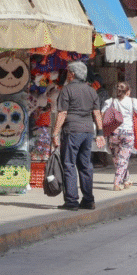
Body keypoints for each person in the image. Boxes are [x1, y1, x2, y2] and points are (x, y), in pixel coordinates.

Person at [52, 61, 105, 210]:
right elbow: (97, 113)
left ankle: (72, 201)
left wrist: (55, 133)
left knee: (69, 164)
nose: (67, 74)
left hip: (72, 131)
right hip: (88, 131)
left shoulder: (67, 90)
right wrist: (100, 133)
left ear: (72, 74)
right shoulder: (91, 91)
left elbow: (62, 113)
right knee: (86, 165)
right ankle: (88, 200)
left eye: (68, 72)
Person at [101, 82, 137, 191]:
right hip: (127, 133)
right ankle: (117, 182)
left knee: (117, 158)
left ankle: (127, 180)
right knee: (123, 159)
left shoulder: (110, 101)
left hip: (114, 133)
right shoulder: (132, 101)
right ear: (127, 91)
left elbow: (102, 115)